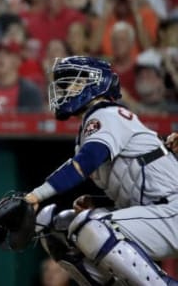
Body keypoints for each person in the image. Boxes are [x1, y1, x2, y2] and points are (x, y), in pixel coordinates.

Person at [23, 56, 178, 285]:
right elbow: (138, 184)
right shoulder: (95, 123)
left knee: (92, 226)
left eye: (73, 83)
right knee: (63, 225)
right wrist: (99, 201)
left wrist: (36, 195)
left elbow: (87, 160)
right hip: (162, 211)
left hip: (172, 210)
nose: (65, 90)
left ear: (96, 84)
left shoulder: (105, 114)